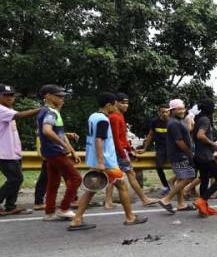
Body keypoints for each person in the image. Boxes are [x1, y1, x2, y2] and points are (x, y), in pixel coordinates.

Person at [68, 93, 148, 231]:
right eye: (114, 104)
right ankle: (130, 217)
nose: (115, 107)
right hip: (106, 162)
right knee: (122, 186)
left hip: (94, 159)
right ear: (108, 105)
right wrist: (101, 162)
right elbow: (99, 140)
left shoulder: (93, 116)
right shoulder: (104, 120)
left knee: (92, 188)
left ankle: (77, 219)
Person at [104, 93, 157, 208]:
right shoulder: (114, 117)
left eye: (127, 103)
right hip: (118, 151)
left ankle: (108, 202)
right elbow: (115, 138)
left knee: (113, 176)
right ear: (116, 103)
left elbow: (122, 137)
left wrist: (129, 149)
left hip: (120, 150)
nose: (126, 105)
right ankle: (144, 199)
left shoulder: (119, 116)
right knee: (130, 174)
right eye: (123, 102)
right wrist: (123, 153)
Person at [37, 85, 82, 221]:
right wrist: (64, 146)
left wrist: (72, 151)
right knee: (76, 179)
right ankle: (64, 208)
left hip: (50, 152)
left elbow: (60, 133)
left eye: (63, 96)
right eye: (59, 96)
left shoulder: (48, 111)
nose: (62, 99)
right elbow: (47, 131)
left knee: (53, 183)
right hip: (55, 151)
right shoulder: (50, 112)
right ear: (48, 96)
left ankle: (49, 213)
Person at [0, 84, 41, 216]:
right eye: (6, 95)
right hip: (4, 153)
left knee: (17, 179)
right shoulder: (2, 110)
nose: (10, 98)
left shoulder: (7, 110)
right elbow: (21, 115)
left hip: (12, 152)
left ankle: (10, 206)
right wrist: (43, 109)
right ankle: (8, 204)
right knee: (15, 179)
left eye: (11, 95)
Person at [157, 99, 196, 213]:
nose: (182, 111)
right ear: (172, 110)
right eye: (179, 109)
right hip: (179, 155)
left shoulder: (179, 121)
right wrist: (189, 153)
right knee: (188, 177)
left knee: (180, 178)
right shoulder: (174, 123)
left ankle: (181, 204)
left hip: (179, 155)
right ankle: (166, 199)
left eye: (183, 108)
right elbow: (179, 141)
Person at [192, 98, 217, 216]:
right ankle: (202, 200)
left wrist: (212, 143)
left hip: (199, 155)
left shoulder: (199, 119)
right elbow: (200, 136)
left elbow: (195, 137)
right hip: (206, 157)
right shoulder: (205, 120)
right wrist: (213, 144)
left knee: (205, 180)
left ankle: (203, 208)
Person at [141, 104, 171, 195]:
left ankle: (176, 185)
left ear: (169, 112)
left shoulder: (173, 122)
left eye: (166, 111)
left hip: (172, 148)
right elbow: (150, 135)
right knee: (158, 167)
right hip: (160, 148)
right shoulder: (155, 122)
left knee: (177, 168)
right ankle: (166, 186)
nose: (165, 114)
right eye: (162, 112)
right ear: (159, 113)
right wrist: (144, 148)